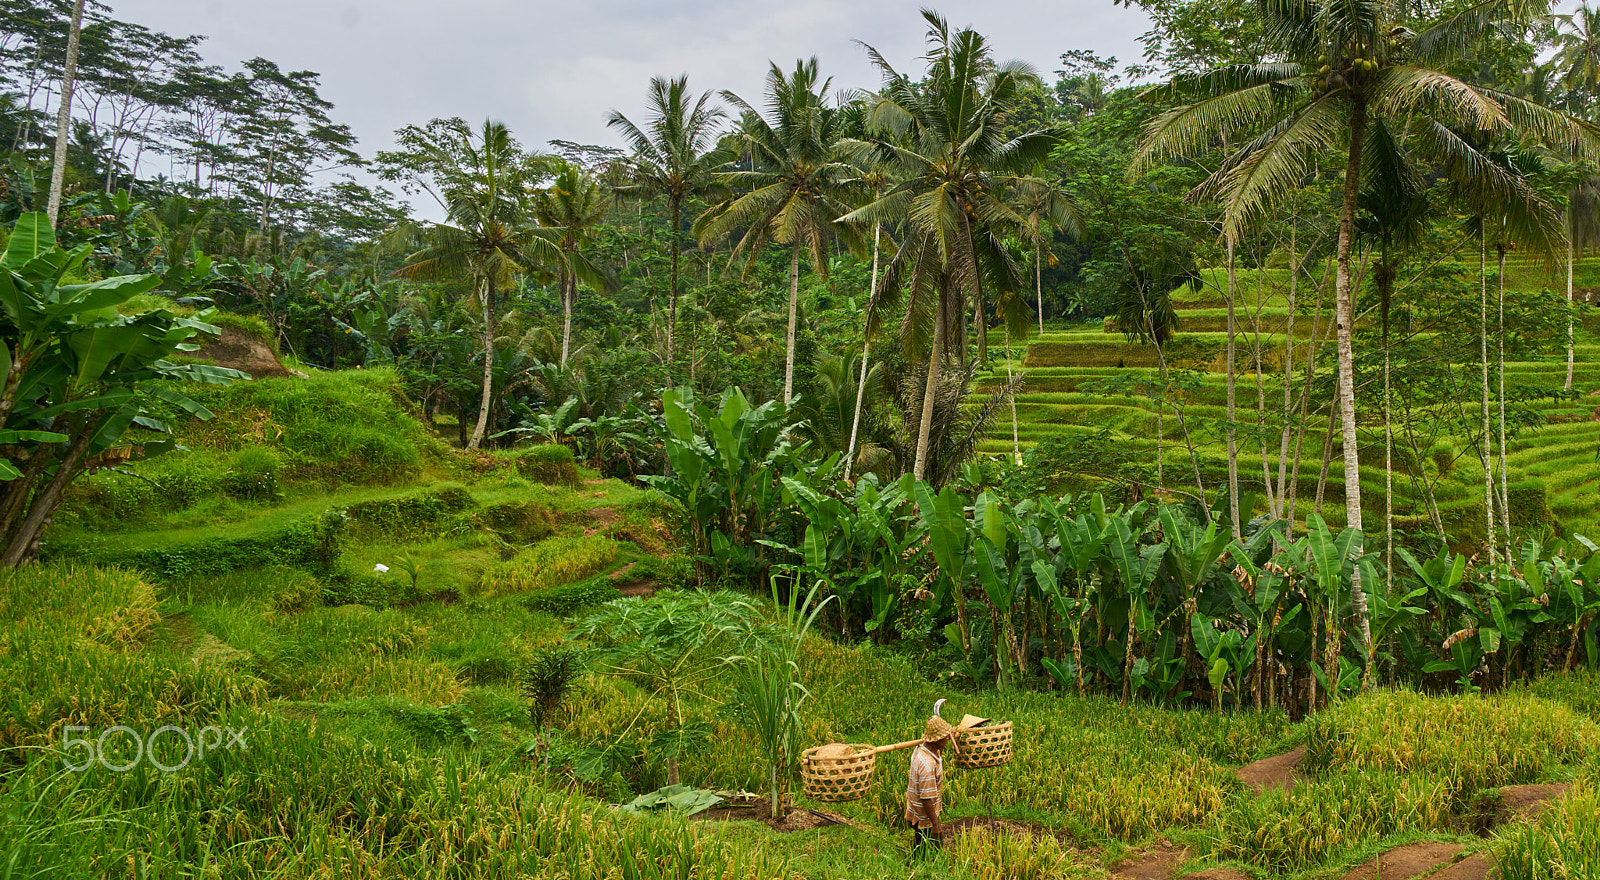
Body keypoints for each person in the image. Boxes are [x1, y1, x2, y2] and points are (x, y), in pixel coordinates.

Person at [905, 702, 955, 849]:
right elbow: (927, 799)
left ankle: (914, 861)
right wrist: (935, 824)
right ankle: (918, 867)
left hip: (916, 809)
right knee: (930, 850)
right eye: (945, 737)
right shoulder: (927, 766)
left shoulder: (922, 749)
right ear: (937, 740)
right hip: (924, 815)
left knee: (920, 846)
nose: (948, 739)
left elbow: (938, 749)